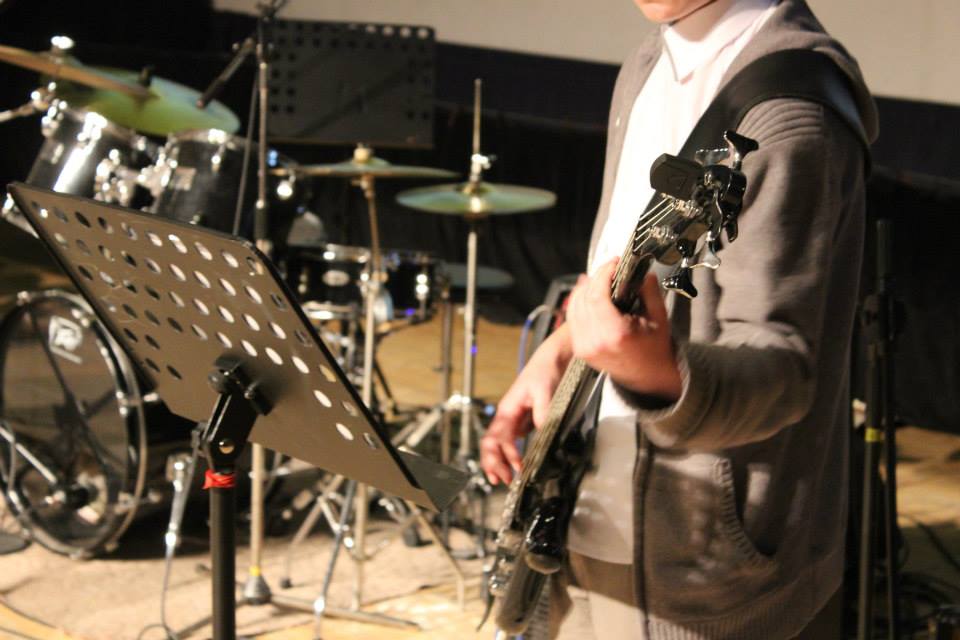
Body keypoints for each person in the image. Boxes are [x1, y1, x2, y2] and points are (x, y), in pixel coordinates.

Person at [479, 0, 878, 637]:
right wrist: (560, 351)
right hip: (587, 505)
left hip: (701, 566)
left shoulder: (791, 114)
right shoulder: (648, 61)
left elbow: (782, 373)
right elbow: (625, 270)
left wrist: (654, 374)